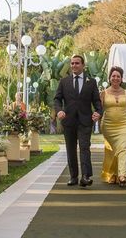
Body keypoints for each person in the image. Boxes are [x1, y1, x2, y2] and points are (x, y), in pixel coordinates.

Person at [54, 54, 103, 187]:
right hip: (68, 121)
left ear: (83, 65)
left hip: (85, 121)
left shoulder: (91, 82)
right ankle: (73, 176)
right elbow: (57, 99)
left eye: (77, 63)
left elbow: (97, 101)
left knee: (84, 147)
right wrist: (59, 110)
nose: (74, 65)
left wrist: (98, 112)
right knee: (70, 149)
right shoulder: (64, 82)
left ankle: (86, 176)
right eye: (72, 63)